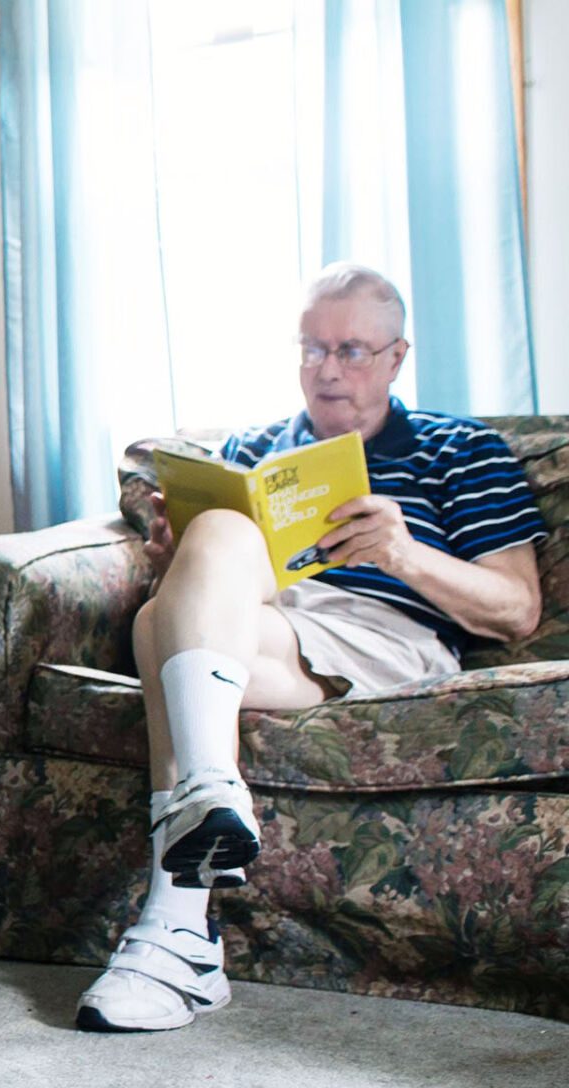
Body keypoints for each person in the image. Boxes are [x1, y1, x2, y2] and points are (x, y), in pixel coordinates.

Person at [77, 263, 547, 1035]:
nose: (327, 370)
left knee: (161, 626)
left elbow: (518, 608)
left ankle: (182, 905)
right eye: (312, 349)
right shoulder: (251, 448)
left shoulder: (461, 449)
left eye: (352, 351)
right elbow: (200, 585)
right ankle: (183, 915)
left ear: (397, 356)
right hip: (269, 627)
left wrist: (402, 552)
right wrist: (177, 554)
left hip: (385, 633)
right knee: (165, 609)